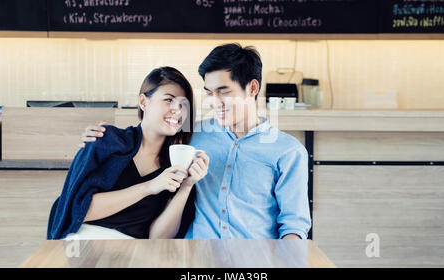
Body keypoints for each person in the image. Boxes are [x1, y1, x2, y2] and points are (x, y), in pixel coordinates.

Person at [80, 43, 311, 240]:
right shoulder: (194, 136)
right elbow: (152, 128)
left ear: (252, 88)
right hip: (195, 256)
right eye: (209, 92)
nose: (214, 101)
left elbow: (294, 227)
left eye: (224, 91)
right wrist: (104, 137)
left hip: (253, 259)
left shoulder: (288, 152)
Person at [47, 67, 209, 240]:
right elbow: (76, 210)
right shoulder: (107, 141)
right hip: (83, 240)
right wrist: (149, 187)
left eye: (183, 104)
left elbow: (158, 239)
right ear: (143, 102)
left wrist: (186, 186)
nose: (177, 110)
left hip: (134, 252)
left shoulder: (178, 165)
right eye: (168, 100)